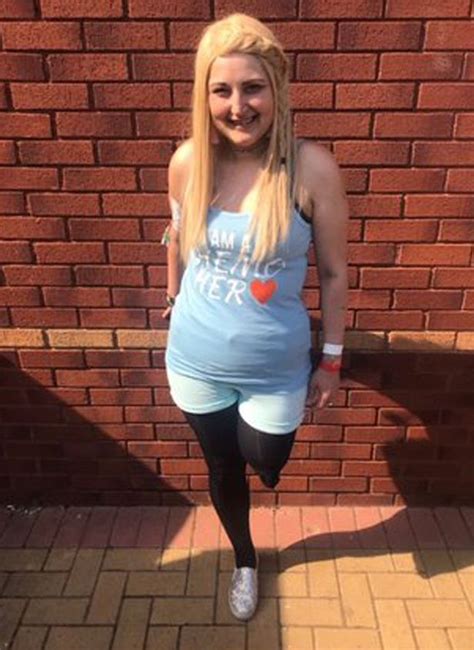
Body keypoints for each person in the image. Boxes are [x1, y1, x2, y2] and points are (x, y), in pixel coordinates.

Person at [161, 13, 349, 621]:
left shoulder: (311, 170)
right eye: (222, 90)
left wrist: (331, 360)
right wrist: (172, 298)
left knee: (266, 459)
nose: (237, 106)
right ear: (204, 95)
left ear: (277, 88)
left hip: (275, 371)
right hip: (195, 362)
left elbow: (334, 273)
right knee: (222, 467)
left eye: (252, 88)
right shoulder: (188, 162)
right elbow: (176, 237)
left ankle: (260, 460)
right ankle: (245, 560)